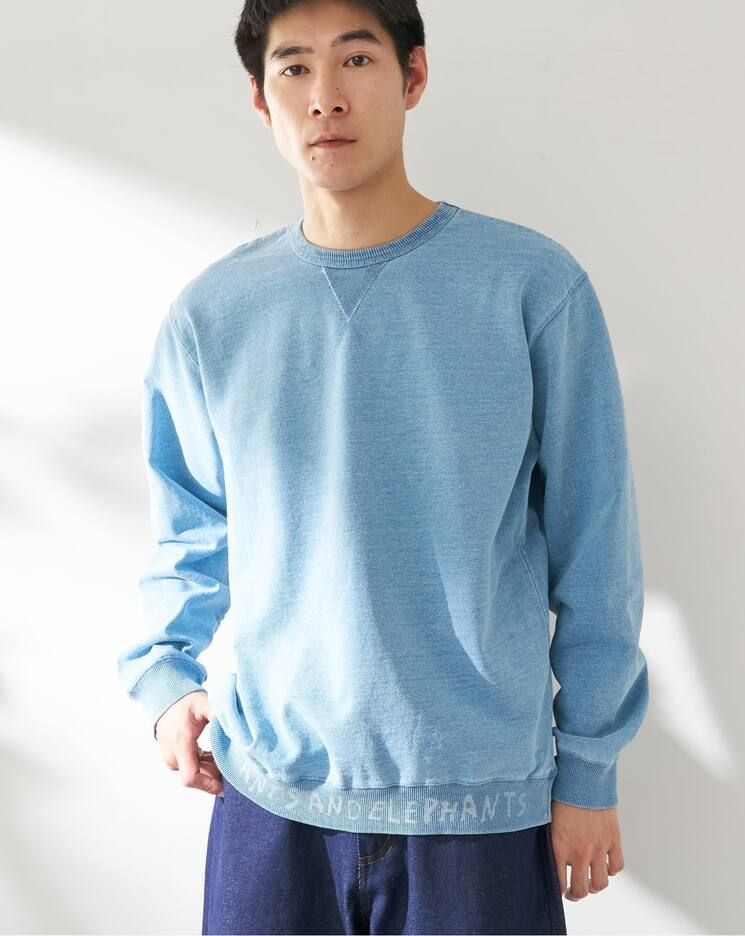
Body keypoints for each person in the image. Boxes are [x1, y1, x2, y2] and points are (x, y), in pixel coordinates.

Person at [116, 0, 650, 932]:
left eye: (356, 59)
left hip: (480, 802)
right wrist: (165, 680)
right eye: (294, 67)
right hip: (268, 796)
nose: (325, 96)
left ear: (414, 75)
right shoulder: (214, 314)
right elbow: (188, 524)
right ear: (261, 99)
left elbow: (597, 544)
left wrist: (590, 768)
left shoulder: (531, 286)